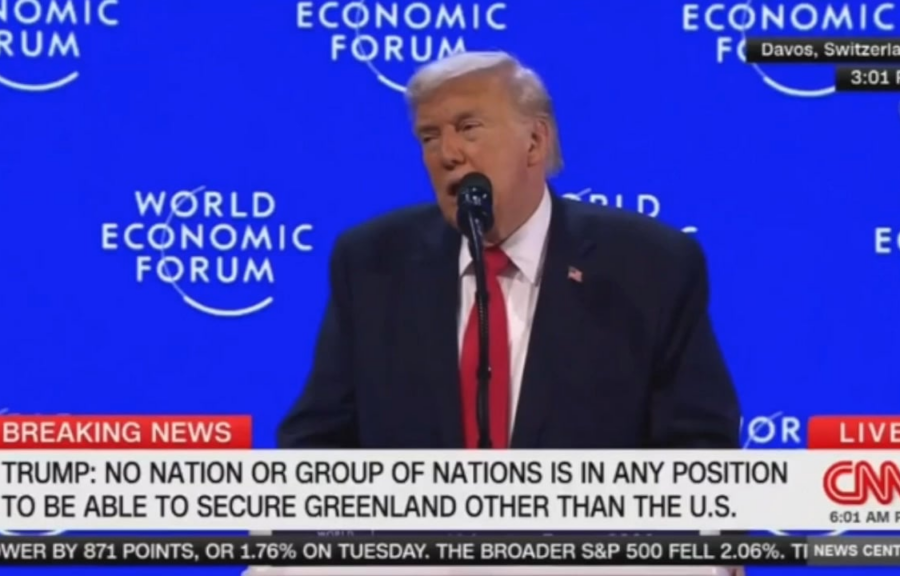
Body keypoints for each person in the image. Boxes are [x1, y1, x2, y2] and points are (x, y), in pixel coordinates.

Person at [278, 51, 740, 450]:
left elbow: (700, 449)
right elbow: (318, 441)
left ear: (534, 142)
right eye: (429, 137)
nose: (448, 153)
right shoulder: (372, 262)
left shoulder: (649, 265)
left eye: (468, 128)